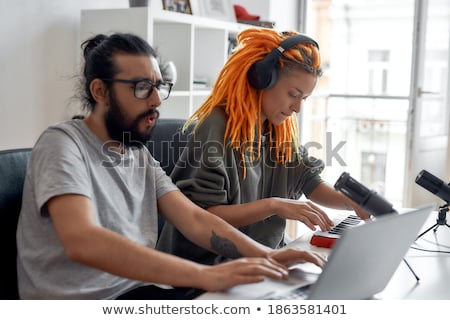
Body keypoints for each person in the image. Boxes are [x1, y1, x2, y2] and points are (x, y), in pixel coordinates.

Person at [15, 32, 326, 300]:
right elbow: (84, 241)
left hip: (136, 294)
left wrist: (268, 255)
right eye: (140, 87)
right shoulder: (62, 144)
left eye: (158, 87)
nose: (156, 101)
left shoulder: (138, 155)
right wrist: (204, 275)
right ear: (100, 92)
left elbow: (194, 218)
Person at [157, 28, 371, 265]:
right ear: (261, 79)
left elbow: (309, 181)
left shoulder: (277, 128)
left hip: (260, 262)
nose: (297, 109)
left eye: (304, 99)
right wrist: (274, 206)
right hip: (206, 268)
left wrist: (353, 202)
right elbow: (203, 216)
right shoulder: (215, 127)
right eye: (293, 94)